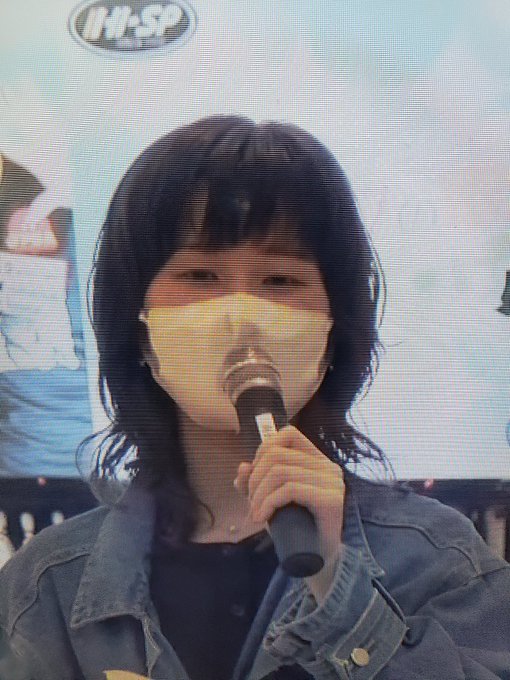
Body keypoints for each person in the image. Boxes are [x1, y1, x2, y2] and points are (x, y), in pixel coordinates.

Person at [0, 115, 509, 680]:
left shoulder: (439, 558)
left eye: (279, 281)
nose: (240, 315)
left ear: (335, 328)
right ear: (137, 326)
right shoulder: (47, 585)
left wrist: (339, 588)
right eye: (200, 276)